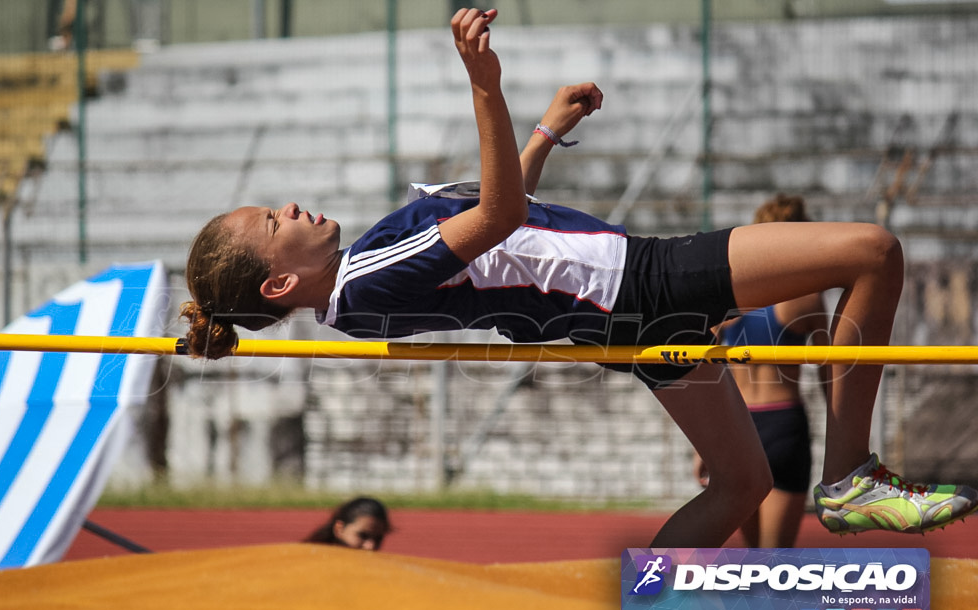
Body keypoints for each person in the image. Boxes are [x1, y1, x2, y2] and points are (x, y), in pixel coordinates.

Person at [181, 8, 978, 547]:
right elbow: (496, 219)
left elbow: (503, 221)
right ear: (279, 285)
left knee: (740, 483)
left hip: (612, 310)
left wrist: (543, 132)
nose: (289, 206)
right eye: (273, 222)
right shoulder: (363, 282)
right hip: (632, 283)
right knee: (874, 251)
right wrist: (485, 89)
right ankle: (846, 475)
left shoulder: (364, 272)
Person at [694, 194, 828, 548]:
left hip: (737, 426)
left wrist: (701, 446)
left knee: (754, 560)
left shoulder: (729, 296)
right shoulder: (807, 298)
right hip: (784, 425)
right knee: (776, 561)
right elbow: (832, 372)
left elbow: (704, 370)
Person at [303, 497, 391, 551]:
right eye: (362, 536)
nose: (370, 546)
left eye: (378, 539)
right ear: (339, 529)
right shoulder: (311, 562)